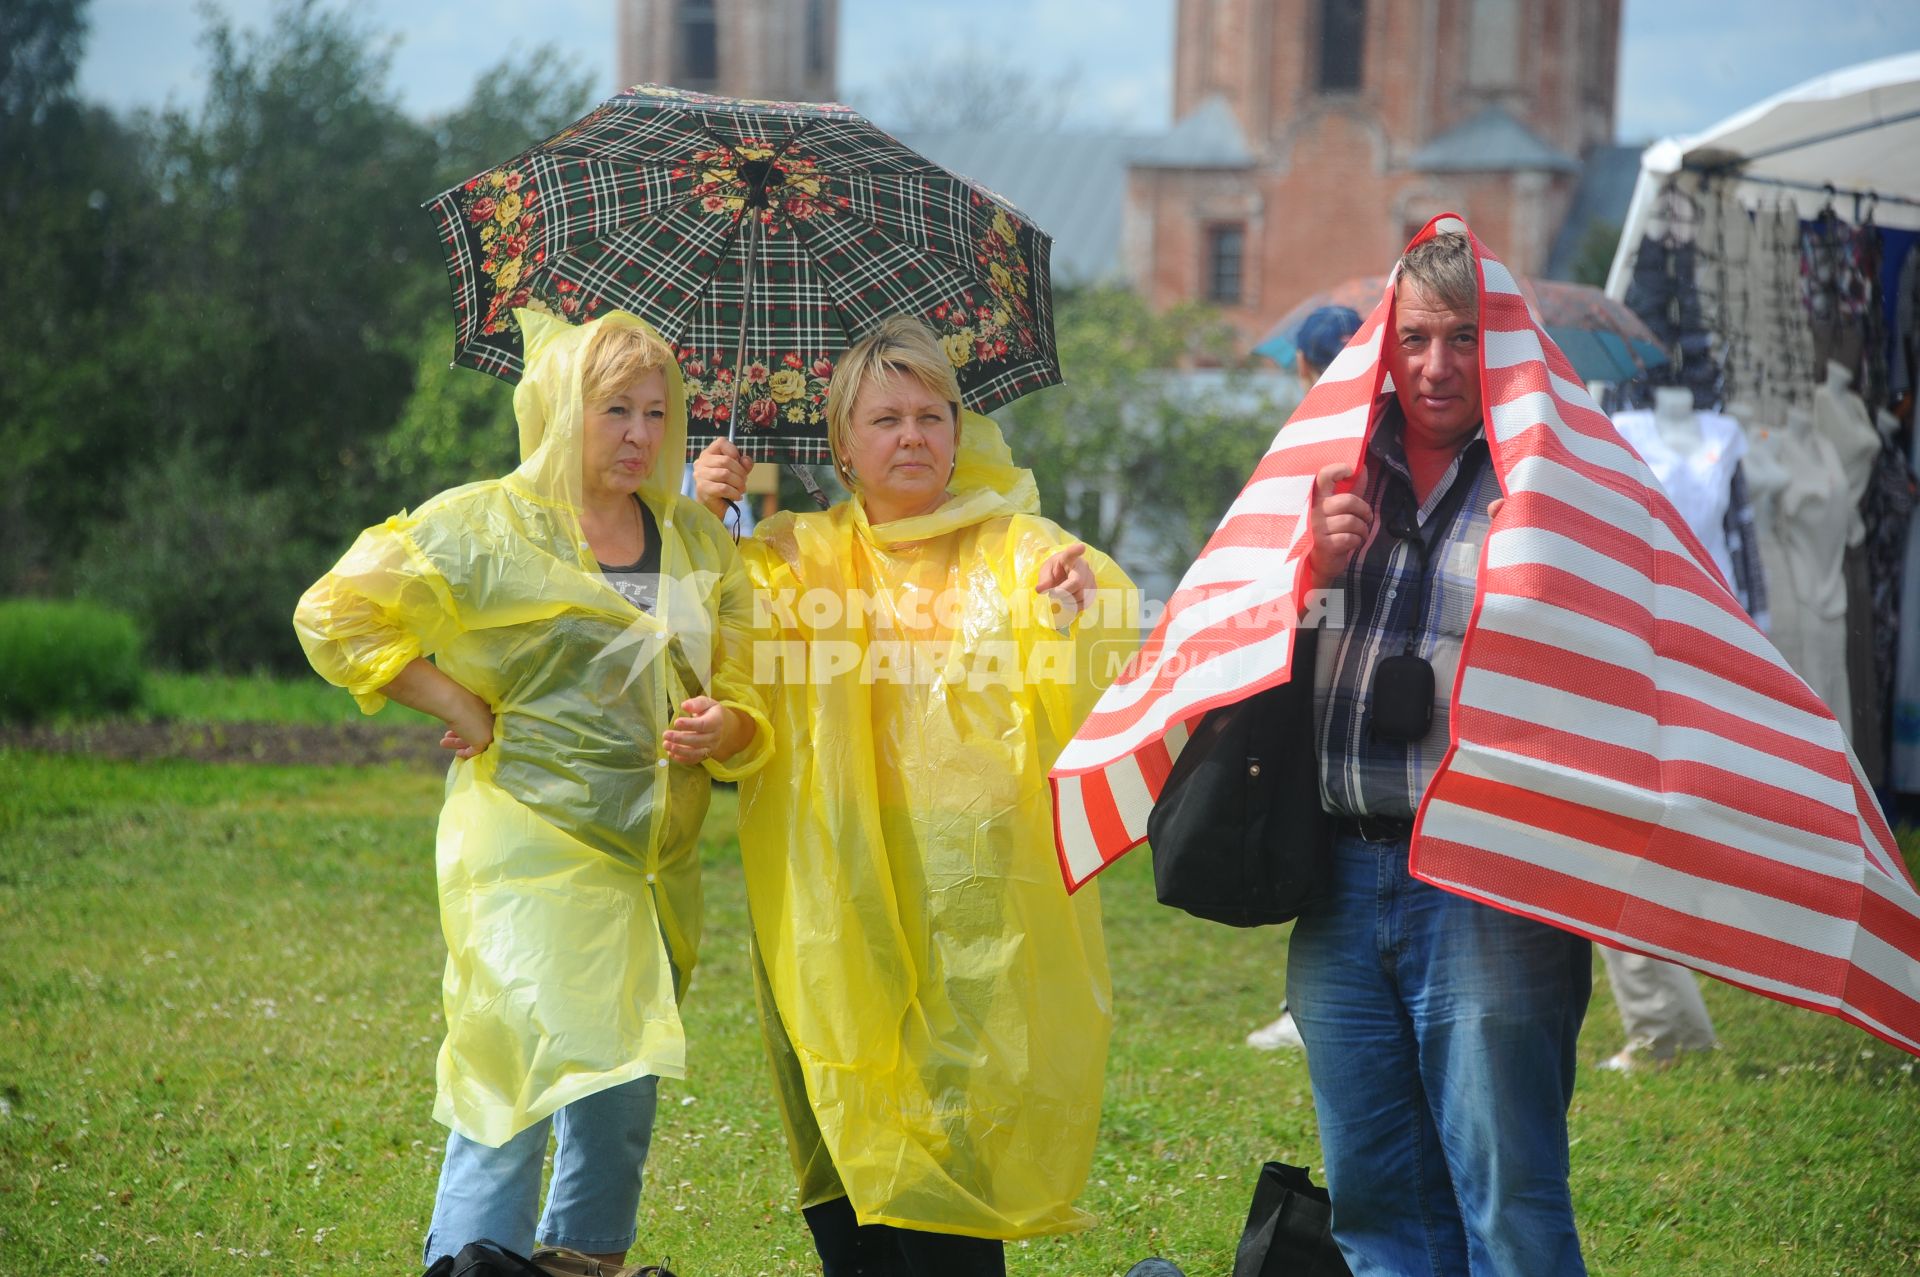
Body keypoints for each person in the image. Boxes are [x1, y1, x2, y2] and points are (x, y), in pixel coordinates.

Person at [294, 309, 771, 1269]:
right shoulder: (485, 525)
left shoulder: (696, 542)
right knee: (509, 1067)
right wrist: (454, 700)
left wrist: (730, 727)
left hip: (651, 869)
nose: (639, 434)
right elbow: (337, 611)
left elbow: (745, 683)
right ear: (560, 409)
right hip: (530, 846)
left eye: (654, 412)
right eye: (614, 411)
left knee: (621, 1081)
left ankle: (580, 1260)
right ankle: (473, 1259)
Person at [693, 315, 1138, 1275]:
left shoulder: (1017, 547)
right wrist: (704, 523)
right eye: (885, 418)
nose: (912, 437)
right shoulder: (791, 553)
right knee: (849, 1095)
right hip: (834, 874)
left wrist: (1079, 602)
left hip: (975, 883)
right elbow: (711, 656)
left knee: (959, 1117)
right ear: (842, 447)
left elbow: (1102, 636)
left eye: (931, 416)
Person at [1288, 230, 1590, 1274]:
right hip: (1339, 871)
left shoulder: (1554, 483)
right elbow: (1248, 642)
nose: (1436, 364)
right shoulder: (1326, 460)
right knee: (1376, 1203)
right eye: (1416, 336)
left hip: (1486, 875)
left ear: (1504, 346)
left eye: (1467, 337)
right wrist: (1312, 568)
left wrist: (1542, 566)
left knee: (1508, 1201)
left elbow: (1609, 663)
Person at [1247, 302, 1363, 1054]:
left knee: (1311, 822)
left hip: (1312, 655)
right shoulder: (1386, 437)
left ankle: (1308, 1002)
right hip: (1377, 666)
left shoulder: (1305, 443)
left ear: (1300, 367)